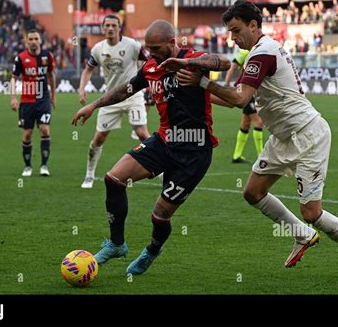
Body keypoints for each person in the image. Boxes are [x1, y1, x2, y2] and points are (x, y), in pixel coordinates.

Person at [162, 0, 338, 282]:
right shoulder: (259, 53)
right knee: (252, 192)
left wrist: (201, 83)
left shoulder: (262, 54)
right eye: (229, 32)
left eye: (236, 31)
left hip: (308, 135)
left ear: (253, 25)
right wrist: (184, 91)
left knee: (311, 211)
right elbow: (233, 96)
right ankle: (302, 235)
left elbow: (239, 100)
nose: (233, 38)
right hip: (284, 137)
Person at [72, 19, 230, 275]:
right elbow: (126, 89)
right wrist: (94, 105)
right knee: (113, 179)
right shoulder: (151, 67)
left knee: (159, 215)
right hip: (165, 141)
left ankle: (152, 250)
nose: (151, 53)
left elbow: (224, 62)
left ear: (172, 42)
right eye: (148, 48)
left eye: (156, 48)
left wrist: (187, 63)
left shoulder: (193, 59)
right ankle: (116, 244)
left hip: (195, 151)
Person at [78, 14, 151, 188]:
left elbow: (149, 61)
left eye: (114, 25)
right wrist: (82, 88)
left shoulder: (132, 45)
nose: (110, 28)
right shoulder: (98, 49)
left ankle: (160, 170)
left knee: (142, 133)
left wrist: (148, 84)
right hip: (110, 98)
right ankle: (89, 174)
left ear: (119, 28)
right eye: (107, 25)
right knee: (99, 138)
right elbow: (88, 70)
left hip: (133, 95)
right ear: (103, 28)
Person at [10, 29, 56, 177]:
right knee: (28, 133)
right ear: (27, 41)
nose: (33, 41)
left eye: (36, 38)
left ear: (40, 40)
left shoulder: (48, 56)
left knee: (44, 129)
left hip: (43, 99)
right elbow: (13, 78)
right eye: (30, 39)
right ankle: (28, 166)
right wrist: (13, 97)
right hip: (27, 101)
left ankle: (44, 165)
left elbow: (50, 75)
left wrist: (53, 97)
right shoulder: (21, 58)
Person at [224, 48, 264, 163]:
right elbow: (233, 66)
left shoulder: (258, 53)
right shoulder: (245, 52)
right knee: (259, 122)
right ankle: (261, 156)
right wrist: (227, 84)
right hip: (246, 91)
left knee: (245, 124)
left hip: (251, 91)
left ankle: (237, 156)